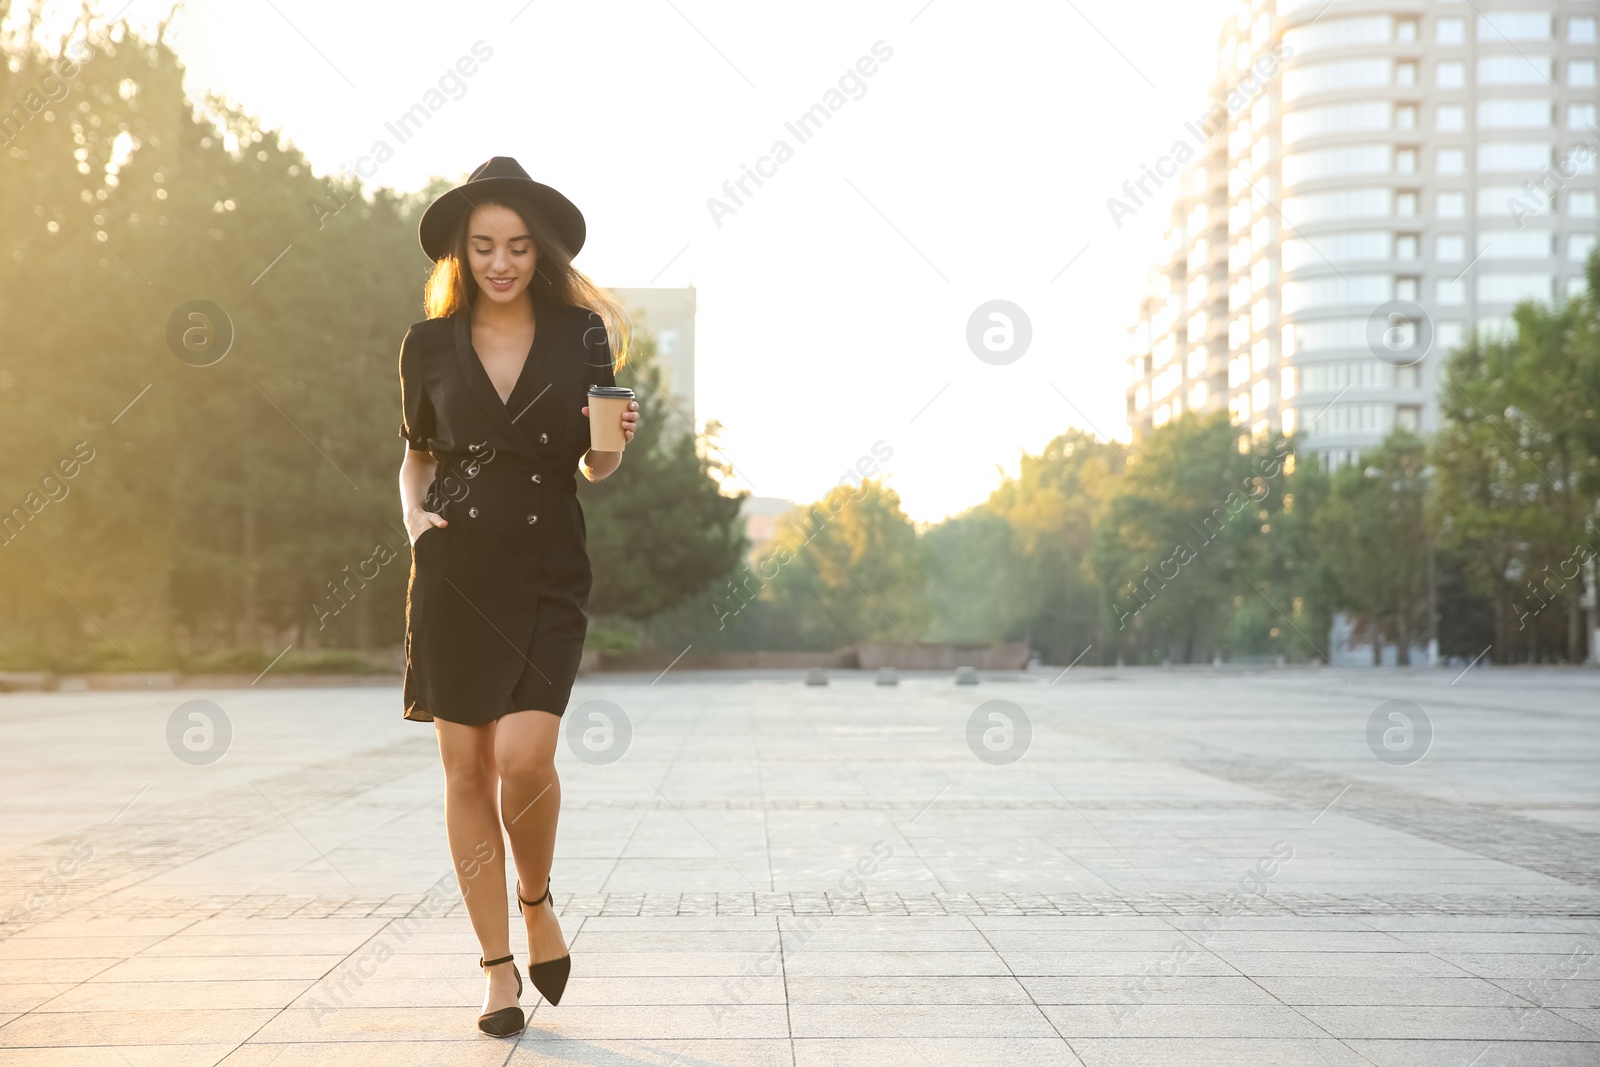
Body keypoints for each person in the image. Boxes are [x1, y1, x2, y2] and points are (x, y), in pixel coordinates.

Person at [395, 156, 639, 1037]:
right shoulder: (427, 344)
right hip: (455, 571)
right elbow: (418, 453)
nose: (502, 262)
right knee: (465, 770)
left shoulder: (580, 335)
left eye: (519, 247)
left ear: (541, 253)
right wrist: (415, 520)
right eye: (485, 246)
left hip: (546, 566)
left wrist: (612, 441)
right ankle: (498, 969)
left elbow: (594, 463)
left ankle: (536, 898)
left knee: (526, 758)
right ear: (462, 250)